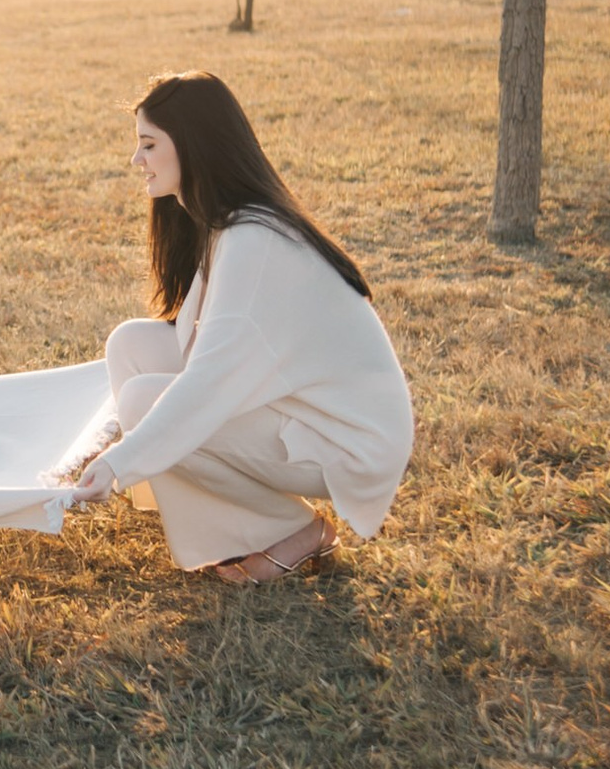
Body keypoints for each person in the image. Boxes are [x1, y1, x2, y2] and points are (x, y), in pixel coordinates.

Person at [72, 72, 413, 583]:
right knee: (132, 346)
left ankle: (291, 530)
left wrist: (122, 461)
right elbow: (202, 351)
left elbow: (209, 383)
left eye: (149, 145)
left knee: (147, 400)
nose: (136, 161)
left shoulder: (254, 241)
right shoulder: (227, 223)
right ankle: (213, 511)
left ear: (192, 147)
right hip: (302, 412)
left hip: (348, 441)